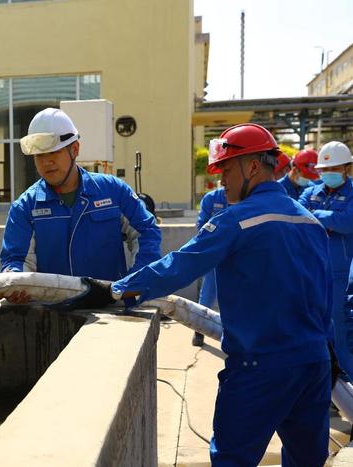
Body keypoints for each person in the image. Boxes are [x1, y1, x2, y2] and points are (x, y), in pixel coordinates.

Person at [109, 123, 332, 466]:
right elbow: (325, 295)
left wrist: (119, 290)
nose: (221, 179)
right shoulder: (311, 222)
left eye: (226, 169)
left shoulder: (238, 220)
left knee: (232, 460)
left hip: (260, 367)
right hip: (314, 365)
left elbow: (180, 265)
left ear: (253, 166)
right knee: (306, 461)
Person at [0, 108, 161, 304]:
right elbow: (17, 259)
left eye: (54, 152)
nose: (46, 162)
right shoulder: (25, 207)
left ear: (74, 149)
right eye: (39, 156)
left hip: (110, 310)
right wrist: (16, 282)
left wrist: (135, 280)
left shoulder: (113, 191)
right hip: (52, 314)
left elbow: (146, 232)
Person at [299, 141, 353, 379]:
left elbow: (348, 222)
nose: (328, 174)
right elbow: (298, 217)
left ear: (347, 168)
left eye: (334, 169)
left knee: (340, 333)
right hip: (310, 271)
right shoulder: (311, 192)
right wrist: (332, 219)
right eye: (324, 170)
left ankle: (346, 386)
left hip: (341, 274)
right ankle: (323, 384)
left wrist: (319, 216)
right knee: (312, 328)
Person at [190, 186, 227, 347]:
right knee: (207, 294)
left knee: (234, 296)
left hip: (236, 254)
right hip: (214, 252)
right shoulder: (211, 198)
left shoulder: (243, 197)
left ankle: (231, 334)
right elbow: (202, 225)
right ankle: (199, 330)